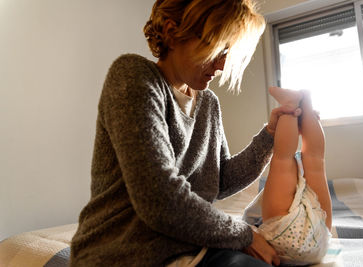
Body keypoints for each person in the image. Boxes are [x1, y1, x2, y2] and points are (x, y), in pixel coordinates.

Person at [69, 0, 300, 266]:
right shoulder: (133, 77)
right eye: (216, 48)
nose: (222, 65)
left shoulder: (208, 104)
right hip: (121, 253)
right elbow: (159, 199)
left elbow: (220, 180)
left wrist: (270, 135)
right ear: (172, 32)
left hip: (184, 246)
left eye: (228, 51)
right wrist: (245, 235)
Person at [244, 87, 332, 265]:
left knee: (283, 159)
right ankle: (304, 103)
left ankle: (294, 104)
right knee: (315, 160)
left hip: (292, 239)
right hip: (319, 237)